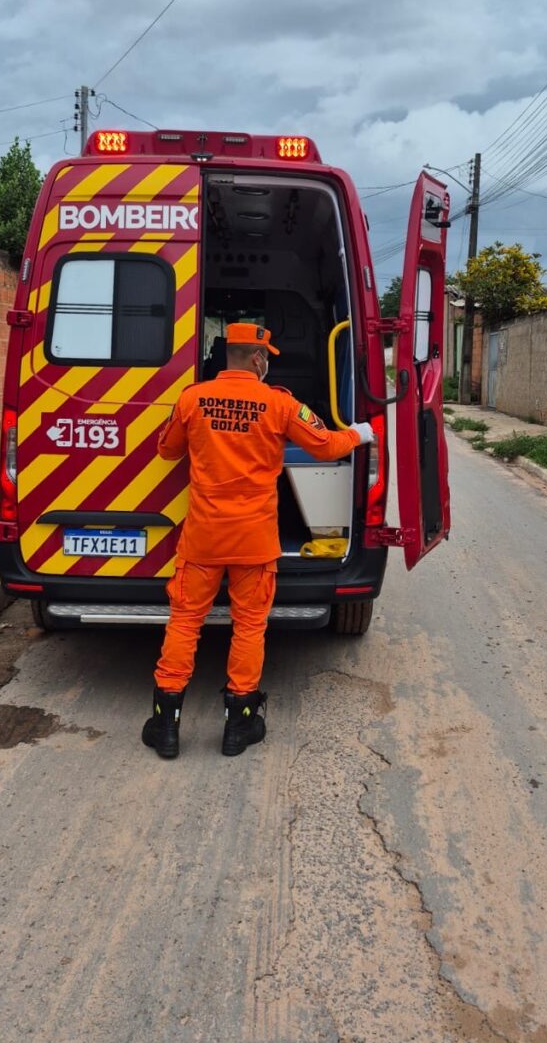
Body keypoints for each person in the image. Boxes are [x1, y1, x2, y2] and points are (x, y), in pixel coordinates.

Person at [142, 322, 374, 759]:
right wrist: (360, 433)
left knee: (185, 622)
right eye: (266, 356)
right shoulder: (278, 403)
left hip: (203, 538)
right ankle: (239, 726)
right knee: (249, 626)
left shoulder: (192, 398)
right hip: (254, 539)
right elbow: (324, 447)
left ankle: (165, 724)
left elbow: (167, 451)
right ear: (257, 358)